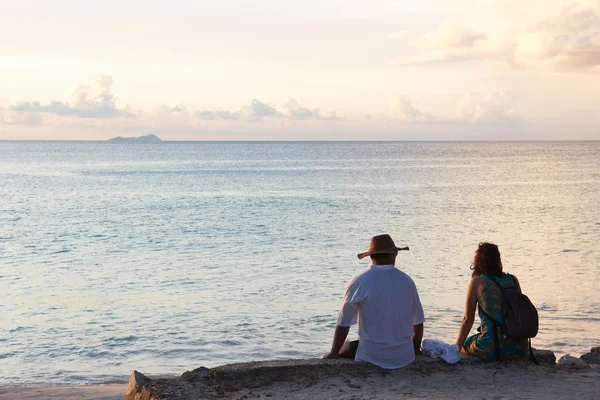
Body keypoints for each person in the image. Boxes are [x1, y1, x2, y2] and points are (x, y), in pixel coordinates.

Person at [324, 234, 425, 369]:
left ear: (370, 256)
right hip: (405, 356)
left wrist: (333, 353)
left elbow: (343, 323)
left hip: (371, 356)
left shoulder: (359, 282)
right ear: (393, 254)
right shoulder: (407, 280)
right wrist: (416, 350)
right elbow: (418, 322)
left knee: (346, 346)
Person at [455, 242, 528, 360]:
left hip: (492, 348)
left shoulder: (477, 282)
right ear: (498, 259)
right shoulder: (513, 280)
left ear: (478, 261)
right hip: (520, 348)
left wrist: (456, 348)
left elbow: (468, 319)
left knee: (467, 344)